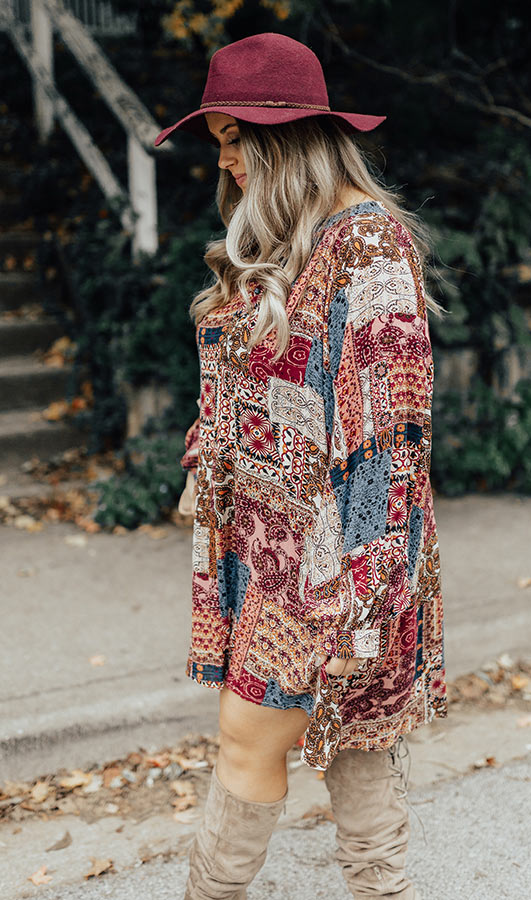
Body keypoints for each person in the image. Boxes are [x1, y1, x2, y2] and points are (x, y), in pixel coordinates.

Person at [155, 31, 447, 900]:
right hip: (269, 541)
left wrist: (357, 600)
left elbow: (393, 438)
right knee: (357, 752)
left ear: (286, 139)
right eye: (220, 142)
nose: (230, 161)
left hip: (337, 560)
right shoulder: (292, 237)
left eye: (236, 138)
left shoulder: (367, 244)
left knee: (249, 742)